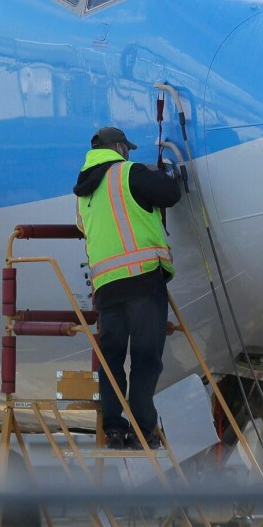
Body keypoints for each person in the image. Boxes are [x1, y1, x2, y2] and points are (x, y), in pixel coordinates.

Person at [73, 125, 181, 449]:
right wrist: (159, 175)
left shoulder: (83, 192)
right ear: (120, 147)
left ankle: (115, 429)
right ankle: (144, 428)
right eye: (128, 150)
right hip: (142, 280)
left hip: (105, 286)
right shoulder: (128, 173)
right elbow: (171, 194)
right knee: (147, 358)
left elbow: (83, 227)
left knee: (112, 360)